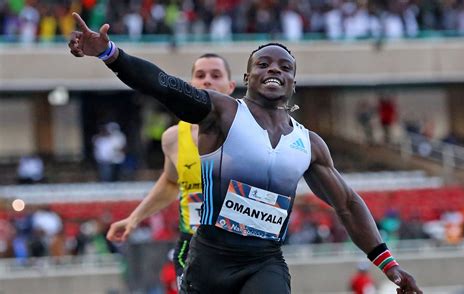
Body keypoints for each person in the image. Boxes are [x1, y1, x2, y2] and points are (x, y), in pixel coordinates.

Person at [68, 13, 422, 294]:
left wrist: (388, 265)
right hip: (209, 259)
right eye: (264, 64)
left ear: (293, 83)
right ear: (247, 76)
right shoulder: (221, 113)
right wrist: (109, 53)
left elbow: (347, 204)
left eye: (284, 67)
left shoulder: (308, 144)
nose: (274, 70)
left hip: (263, 260)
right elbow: (162, 85)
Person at [105, 52, 236, 288]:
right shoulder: (174, 137)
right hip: (192, 246)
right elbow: (170, 182)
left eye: (216, 75)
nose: (207, 80)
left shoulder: (248, 134)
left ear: (230, 86)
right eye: (200, 75)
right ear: (191, 85)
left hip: (238, 247)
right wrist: (134, 219)